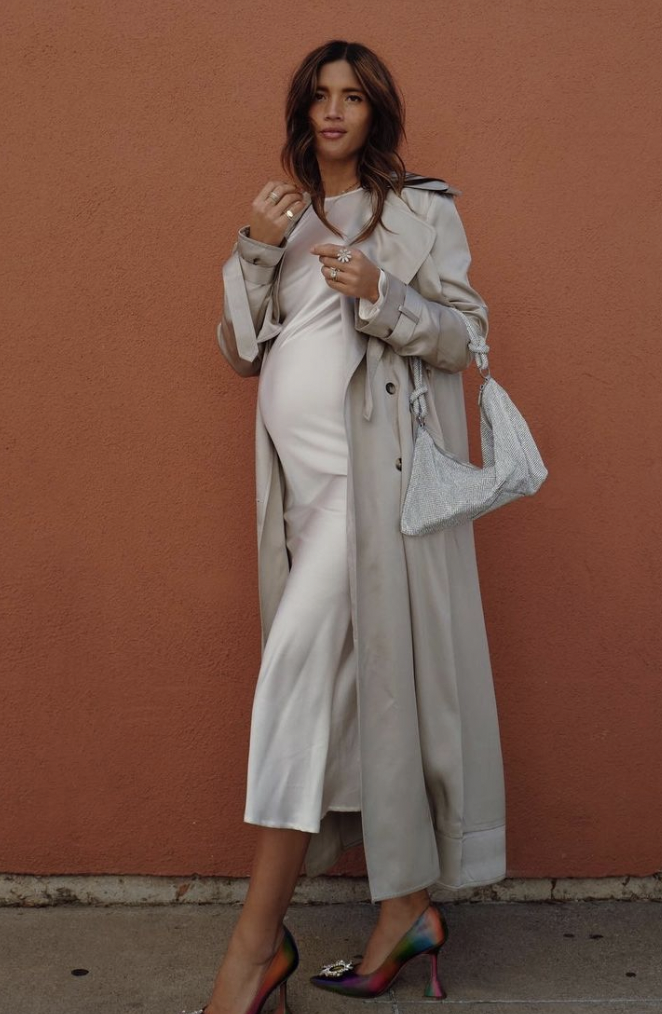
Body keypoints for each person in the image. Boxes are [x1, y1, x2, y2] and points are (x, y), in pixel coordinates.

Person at [182, 38, 506, 1014]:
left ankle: (254, 952)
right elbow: (240, 352)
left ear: (375, 114)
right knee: (345, 702)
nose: (334, 110)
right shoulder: (279, 220)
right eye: (320, 96)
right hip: (301, 503)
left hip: (371, 505)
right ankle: (404, 911)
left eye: (353, 97)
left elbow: (464, 336)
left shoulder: (418, 212)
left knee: (292, 687)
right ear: (302, 111)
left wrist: (382, 294)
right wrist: (251, 249)